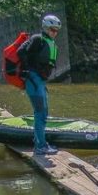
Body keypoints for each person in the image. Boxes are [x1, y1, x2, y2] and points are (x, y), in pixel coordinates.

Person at [19, 14, 61, 155]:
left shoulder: (49, 41)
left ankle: (40, 142)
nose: (54, 33)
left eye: (56, 30)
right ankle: (40, 147)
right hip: (33, 79)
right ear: (45, 28)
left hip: (40, 81)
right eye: (52, 29)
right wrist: (26, 71)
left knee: (43, 112)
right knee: (40, 112)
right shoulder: (38, 39)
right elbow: (21, 52)